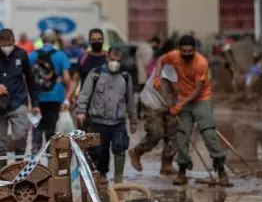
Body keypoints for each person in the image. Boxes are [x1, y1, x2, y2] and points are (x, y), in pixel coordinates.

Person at [152, 35, 229, 186]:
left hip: (201, 99)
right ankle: (182, 172)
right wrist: (156, 76)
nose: (187, 54)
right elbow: (161, 59)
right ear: (179, 50)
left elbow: (198, 90)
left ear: (195, 50)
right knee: (181, 137)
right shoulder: (173, 56)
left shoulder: (201, 63)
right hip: (184, 99)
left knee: (209, 134)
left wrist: (180, 105)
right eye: (184, 51)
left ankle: (221, 172)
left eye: (190, 51)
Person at [0, 28, 41, 171]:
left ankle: (19, 170)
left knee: (21, 136)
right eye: (4, 45)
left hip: (18, 101)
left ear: (14, 41)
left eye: (9, 44)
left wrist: (35, 103)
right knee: (0, 143)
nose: (7, 48)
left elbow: (30, 80)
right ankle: (3, 174)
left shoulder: (21, 54)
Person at [75, 47, 138, 185]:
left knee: (120, 148)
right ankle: (102, 175)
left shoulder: (125, 77)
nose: (115, 63)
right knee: (99, 151)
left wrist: (133, 120)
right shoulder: (95, 74)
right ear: (107, 58)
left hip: (118, 122)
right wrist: (80, 112)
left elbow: (130, 100)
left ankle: (118, 179)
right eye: (112, 59)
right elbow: (84, 94)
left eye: (118, 60)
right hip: (98, 121)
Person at [28, 31, 73, 154]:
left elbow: (26, 78)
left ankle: (35, 166)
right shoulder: (61, 55)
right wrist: (67, 98)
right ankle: (51, 166)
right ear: (55, 42)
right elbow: (67, 79)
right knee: (52, 132)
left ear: (42, 41)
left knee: (36, 132)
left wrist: (30, 100)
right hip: (55, 97)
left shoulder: (32, 56)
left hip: (37, 98)